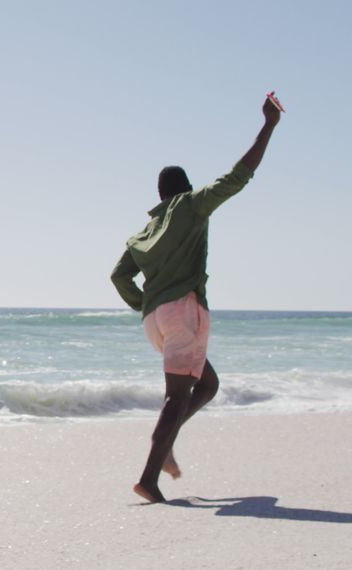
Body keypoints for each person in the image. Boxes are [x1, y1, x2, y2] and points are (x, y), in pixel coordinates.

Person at [111, 96, 281, 503]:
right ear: (185, 189)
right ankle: (150, 475)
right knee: (177, 395)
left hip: (155, 320)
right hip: (184, 312)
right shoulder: (192, 206)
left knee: (206, 384)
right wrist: (269, 125)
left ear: (158, 193)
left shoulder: (142, 233)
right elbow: (239, 175)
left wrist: (145, 303)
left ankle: (166, 438)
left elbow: (118, 275)